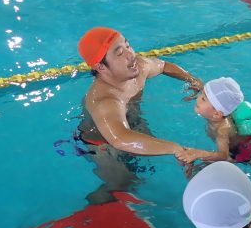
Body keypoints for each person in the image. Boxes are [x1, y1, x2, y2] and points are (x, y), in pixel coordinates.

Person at [76, 27, 203, 198]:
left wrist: (192, 80)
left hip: (132, 123)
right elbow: (119, 138)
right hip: (102, 144)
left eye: (128, 45)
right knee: (123, 182)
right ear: (101, 67)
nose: (131, 55)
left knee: (151, 161)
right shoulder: (104, 100)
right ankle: (98, 204)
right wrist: (175, 148)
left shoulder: (138, 68)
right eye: (120, 53)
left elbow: (164, 66)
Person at [175, 77, 251, 169]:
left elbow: (223, 155)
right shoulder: (216, 113)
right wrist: (196, 91)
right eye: (201, 94)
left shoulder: (222, 130)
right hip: (243, 141)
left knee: (202, 166)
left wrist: (198, 153)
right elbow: (209, 97)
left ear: (216, 114)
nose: (198, 99)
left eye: (203, 98)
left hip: (239, 151)